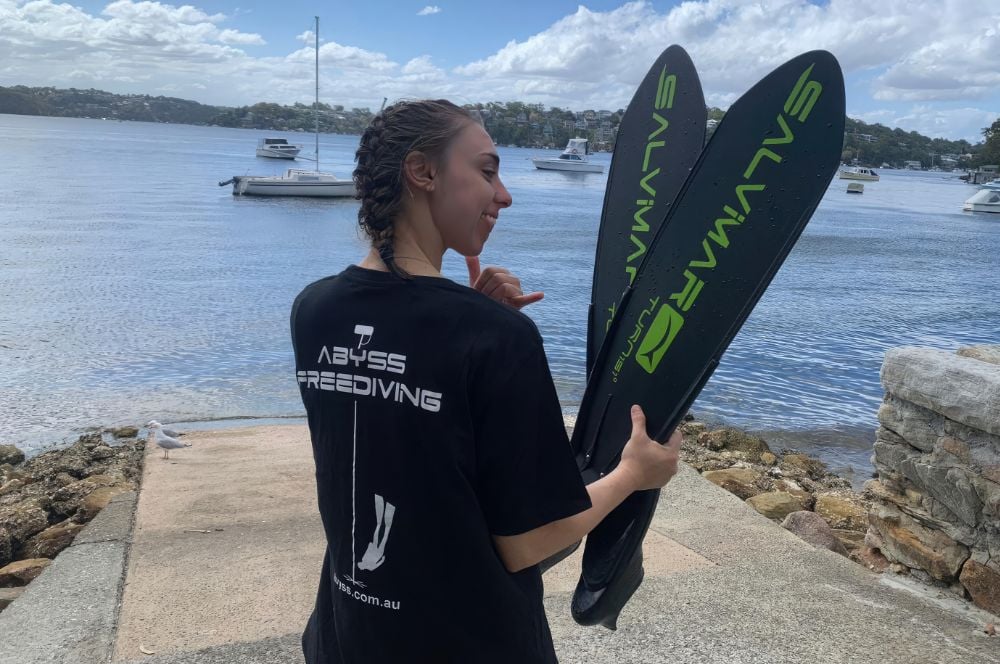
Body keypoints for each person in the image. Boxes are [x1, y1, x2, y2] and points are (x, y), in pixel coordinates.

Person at [290, 99, 682, 664]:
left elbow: (391, 437)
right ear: (422, 172)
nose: (504, 195)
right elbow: (527, 543)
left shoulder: (314, 309)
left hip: (348, 635)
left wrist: (466, 313)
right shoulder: (495, 337)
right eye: (487, 171)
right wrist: (632, 474)